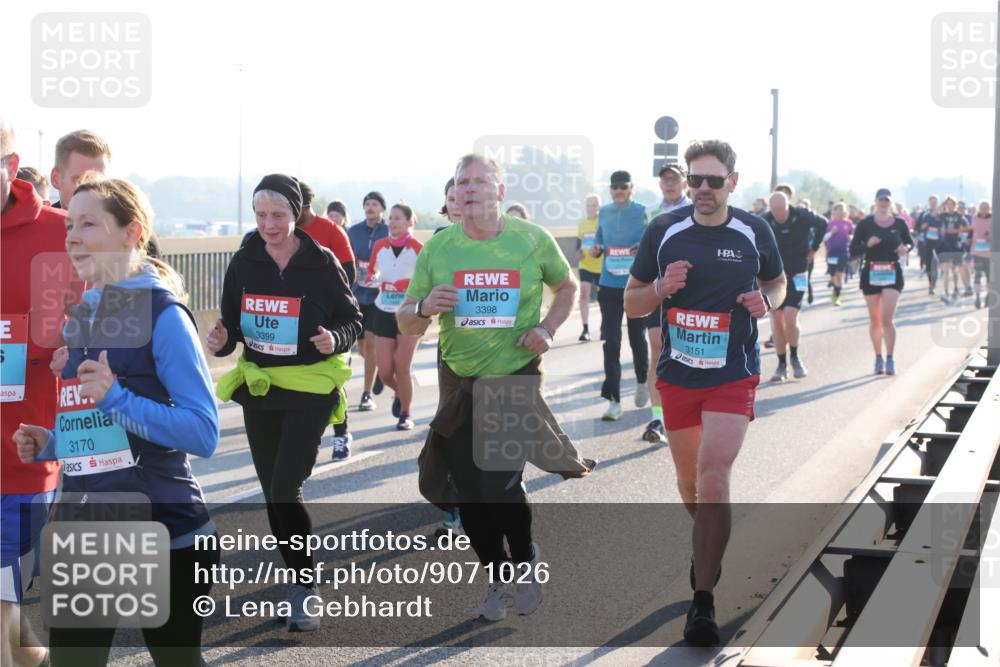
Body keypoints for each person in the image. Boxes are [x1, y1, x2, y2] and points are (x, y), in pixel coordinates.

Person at [16, 176, 221, 666]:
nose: (71, 236)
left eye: (88, 224)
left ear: (132, 232)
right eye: (69, 223)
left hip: (165, 531)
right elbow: (102, 435)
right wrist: (53, 443)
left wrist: (117, 397)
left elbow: (203, 432)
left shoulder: (164, 315)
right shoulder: (83, 315)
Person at [399, 153, 589, 622]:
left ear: (500, 192)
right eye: (461, 183)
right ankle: (498, 574)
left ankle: (524, 559)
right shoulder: (439, 249)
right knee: (469, 492)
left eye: (479, 181)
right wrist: (424, 307)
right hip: (459, 382)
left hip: (513, 376)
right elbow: (404, 322)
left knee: (499, 482)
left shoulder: (530, 239)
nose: (468, 189)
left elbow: (568, 288)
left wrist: (546, 329)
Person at [624, 140, 785, 646]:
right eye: (696, 180)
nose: (703, 190)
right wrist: (661, 290)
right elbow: (631, 303)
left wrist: (766, 302)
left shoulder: (753, 230)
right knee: (690, 484)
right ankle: (707, 544)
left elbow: (778, 285)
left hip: (733, 373)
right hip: (677, 376)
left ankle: (703, 601)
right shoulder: (663, 230)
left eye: (714, 180)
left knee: (714, 475)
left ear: (733, 182)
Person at [207, 174, 362, 631]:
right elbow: (231, 328)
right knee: (273, 492)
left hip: (310, 389)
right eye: (260, 216)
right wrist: (220, 341)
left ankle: (304, 587)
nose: (268, 225)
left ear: (296, 214)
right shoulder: (244, 261)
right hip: (262, 389)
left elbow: (353, 318)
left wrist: (334, 337)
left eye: (277, 216)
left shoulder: (321, 260)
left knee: (283, 489)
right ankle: (299, 579)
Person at [0, 119, 78, 667]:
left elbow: (114, 332)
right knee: (6, 615)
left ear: (10, 166)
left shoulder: (63, 234)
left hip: (22, 460)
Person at [295, 182, 358, 459]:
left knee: (333, 380)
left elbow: (350, 273)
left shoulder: (331, 231)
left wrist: (325, 301)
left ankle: (341, 434)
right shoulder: (281, 231)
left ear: (304, 206)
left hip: (328, 319)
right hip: (293, 319)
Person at [589, 170, 649, 421]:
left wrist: (640, 247)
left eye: (623, 187)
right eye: (614, 187)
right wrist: (597, 248)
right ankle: (614, 401)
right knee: (611, 342)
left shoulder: (642, 210)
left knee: (637, 338)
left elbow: (651, 240)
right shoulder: (604, 212)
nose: (618, 191)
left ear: (631, 188)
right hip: (609, 285)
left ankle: (642, 380)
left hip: (635, 285)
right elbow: (599, 240)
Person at [49, 129, 161, 259]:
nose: (89, 190)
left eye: (98, 181)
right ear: (56, 179)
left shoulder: (133, 237)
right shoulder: (40, 231)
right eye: (78, 180)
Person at [641, 163, 691, 443]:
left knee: (684, 351)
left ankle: (684, 409)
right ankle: (657, 418)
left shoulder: (696, 210)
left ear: (685, 182)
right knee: (657, 346)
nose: (669, 184)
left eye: (675, 179)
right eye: (664, 180)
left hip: (690, 289)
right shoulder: (651, 213)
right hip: (658, 286)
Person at [369, 203, 423, 430]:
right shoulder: (380, 245)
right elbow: (370, 273)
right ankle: (400, 391)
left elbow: (426, 280)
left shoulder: (418, 247)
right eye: (390, 218)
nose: (392, 222)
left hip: (409, 311)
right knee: (384, 371)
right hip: (383, 309)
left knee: (402, 366)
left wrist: (409, 285)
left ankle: (405, 414)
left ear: (410, 221)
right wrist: (378, 279)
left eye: (397, 218)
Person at [762, 191, 825, 381]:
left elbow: (823, 224)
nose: (779, 215)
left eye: (782, 210)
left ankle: (795, 357)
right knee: (777, 320)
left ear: (788, 205)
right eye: (775, 211)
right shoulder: (764, 220)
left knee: (790, 317)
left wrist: (814, 247)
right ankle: (781, 364)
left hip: (798, 273)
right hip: (772, 278)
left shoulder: (802, 215)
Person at [850, 188, 913, 375]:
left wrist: (905, 248)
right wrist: (866, 245)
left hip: (893, 273)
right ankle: (878, 357)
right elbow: (853, 249)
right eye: (881, 200)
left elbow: (910, 243)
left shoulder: (900, 223)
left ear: (891, 202)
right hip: (871, 272)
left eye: (887, 200)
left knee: (887, 319)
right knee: (875, 320)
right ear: (876, 202)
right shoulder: (865, 224)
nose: (884, 203)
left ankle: (890, 358)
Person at [346, 191, 390, 414]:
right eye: (367, 204)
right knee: (363, 348)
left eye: (374, 204)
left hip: (379, 296)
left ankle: (366, 394)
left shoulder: (389, 231)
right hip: (357, 294)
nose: (370, 208)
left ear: (382, 208)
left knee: (371, 344)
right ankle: (380, 370)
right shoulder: (353, 231)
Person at [575, 194, 603, 342]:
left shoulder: (603, 222)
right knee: (584, 294)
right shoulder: (582, 223)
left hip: (601, 265)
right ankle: (585, 329)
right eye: (588, 205)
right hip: (585, 264)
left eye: (593, 205)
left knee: (604, 298)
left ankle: (604, 326)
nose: (590, 208)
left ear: (599, 207)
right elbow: (578, 244)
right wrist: (578, 253)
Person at [938, 196, 971, 304]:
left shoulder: (959, 216)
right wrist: (943, 231)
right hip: (944, 245)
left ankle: (961, 287)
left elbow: (967, 228)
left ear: (954, 205)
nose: (949, 206)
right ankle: (946, 292)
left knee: (957, 268)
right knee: (946, 269)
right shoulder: (942, 216)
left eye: (951, 204)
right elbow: (937, 227)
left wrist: (956, 230)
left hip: (956, 245)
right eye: (947, 204)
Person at [824, 202, 854, 306]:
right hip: (832, 252)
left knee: (839, 275)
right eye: (839, 209)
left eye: (843, 209)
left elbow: (852, 236)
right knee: (833, 275)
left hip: (843, 252)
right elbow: (824, 238)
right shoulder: (829, 223)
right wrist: (831, 233)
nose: (841, 211)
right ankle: (834, 285)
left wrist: (850, 238)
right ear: (834, 211)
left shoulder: (848, 223)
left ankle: (836, 297)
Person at [917, 195, 942, 295]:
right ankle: (931, 284)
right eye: (931, 202)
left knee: (936, 263)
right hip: (926, 243)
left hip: (939, 243)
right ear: (929, 203)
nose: (933, 203)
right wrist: (922, 227)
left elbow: (945, 226)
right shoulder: (924, 214)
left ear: (938, 203)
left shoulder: (941, 214)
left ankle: (934, 283)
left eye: (935, 202)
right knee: (929, 265)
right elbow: (917, 227)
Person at [970, 199, 992, 309]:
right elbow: (971, 232)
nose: (984, 209)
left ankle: (988, 296)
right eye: (982, 207)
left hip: (989, 253)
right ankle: (977, 297)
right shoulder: (974, 218)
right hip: (977, 252)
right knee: (977, 276)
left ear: (990, 208)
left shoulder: (994, 219)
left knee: (989, 277)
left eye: (986, 207)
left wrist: (991, 237)